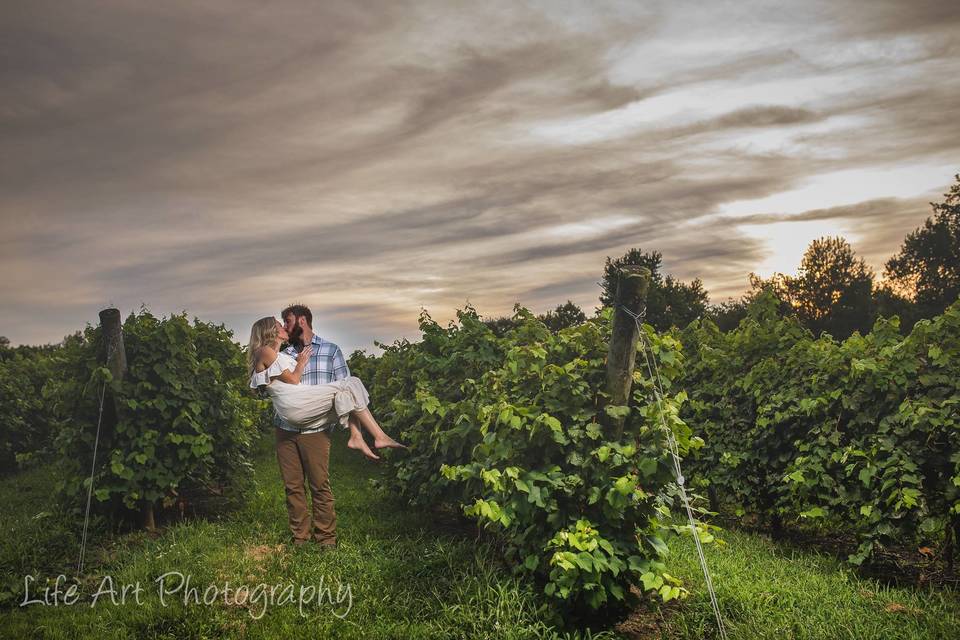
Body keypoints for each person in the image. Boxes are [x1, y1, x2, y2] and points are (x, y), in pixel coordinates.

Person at [247, 307, 403, 549]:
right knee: (293, 486)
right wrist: (299, 364)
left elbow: (346, 398)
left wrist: (353, 430)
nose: (285, 327)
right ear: (270, 331)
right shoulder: (282, 352)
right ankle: (300, 538)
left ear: (301, 320)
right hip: (287, 424)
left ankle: (326, 539)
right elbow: (282, 380)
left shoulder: (331, 351)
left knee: (320, 484)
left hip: (315, 427)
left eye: (286, 322)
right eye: (280, 324)